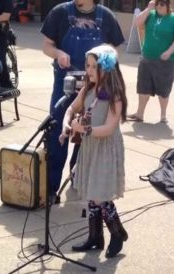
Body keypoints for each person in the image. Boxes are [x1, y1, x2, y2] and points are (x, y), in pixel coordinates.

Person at [40, 0, 124, 194]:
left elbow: (114, 50)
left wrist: (103, 67)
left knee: (87, 132)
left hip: (96, 87)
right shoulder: (60, 12)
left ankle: (79, 181)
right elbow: (46, 45)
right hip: (65, 82)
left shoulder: (107, 16)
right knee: (57, 133)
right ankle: (51, 187)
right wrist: (58, 53)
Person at [60, 44, 128, 258]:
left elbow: (109, 127)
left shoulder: (114, 94)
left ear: (106, 68)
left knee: (100, 194)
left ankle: (118, 233)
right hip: (90, 146)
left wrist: (85, 128)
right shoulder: (89, 88)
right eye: (87, 65)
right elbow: (72, 108)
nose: (88, 70)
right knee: (92, 193)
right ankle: (95, 237)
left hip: (105, 148)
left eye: (93, 66)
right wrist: (66, 124)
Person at [127, 0, 174, 124]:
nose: (159, 6)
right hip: (147, 57)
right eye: (157, 3)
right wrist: (148, 9)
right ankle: (139, 113)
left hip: (166, 61)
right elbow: (137, 23)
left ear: (168, 5)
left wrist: (169, 52)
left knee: (163, 88)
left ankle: (163, 115)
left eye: (162, 4)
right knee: (143, 86)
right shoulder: (151, 15)